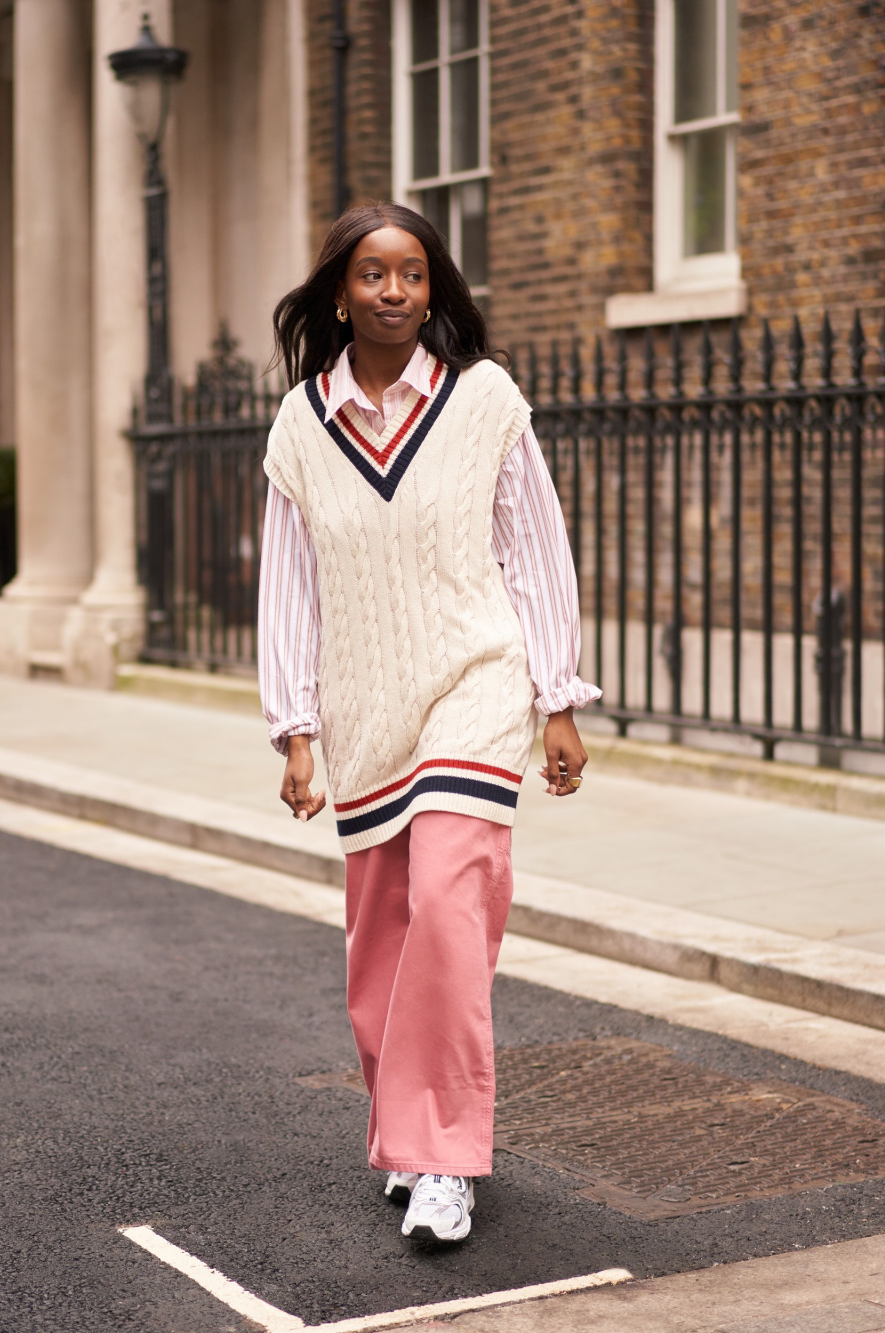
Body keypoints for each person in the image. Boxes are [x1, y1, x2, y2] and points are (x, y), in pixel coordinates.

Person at [258, 201, 600, 1243]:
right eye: (372, 274)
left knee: (453, 904)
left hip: (477, 680)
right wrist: (295, 727)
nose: (394, 291)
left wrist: (556, 695)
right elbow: (290, 586)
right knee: (384, 939)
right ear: (338, 292)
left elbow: (534, 548)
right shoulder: (299, 427)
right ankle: (404, 1136)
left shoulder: (485, 400)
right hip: (364, 704)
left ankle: (444, 1156)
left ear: (434, 289)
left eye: (412, 273)